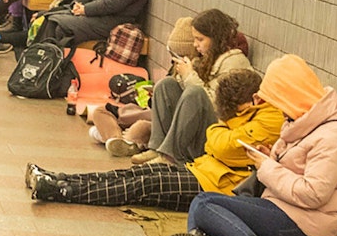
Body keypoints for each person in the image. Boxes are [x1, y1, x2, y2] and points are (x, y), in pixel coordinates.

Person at [165, 54, 337, 236]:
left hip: (306, 230)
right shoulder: (306, 121)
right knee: (204, 204)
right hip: (286, 211)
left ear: (290, 97)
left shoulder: (331, 137)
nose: (281, 112)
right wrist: (271, 158)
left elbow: (313, 194)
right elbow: (297, 170)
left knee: (204, 202)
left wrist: (267, 166)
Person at [25, 69, 284, 210]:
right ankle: (58, 178)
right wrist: (222, 129)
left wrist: (220, 128)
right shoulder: (255, 113)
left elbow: (221, 145)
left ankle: (61, 191)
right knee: (128, 177)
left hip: (218, 186)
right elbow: (219, 142)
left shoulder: (271, 118)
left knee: (141, 187)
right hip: (206, 171)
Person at [130, 9, 251, 164]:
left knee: (194, 93)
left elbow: (216, 105)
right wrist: (182, 74)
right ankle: (157, 148)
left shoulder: (234, 63)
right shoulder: (208, 58)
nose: (195, 45)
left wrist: (189, 76)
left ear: (216, 38)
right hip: (201, 128)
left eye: (200, 39)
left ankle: (170, 156)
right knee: (166, 85)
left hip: (218, 133)